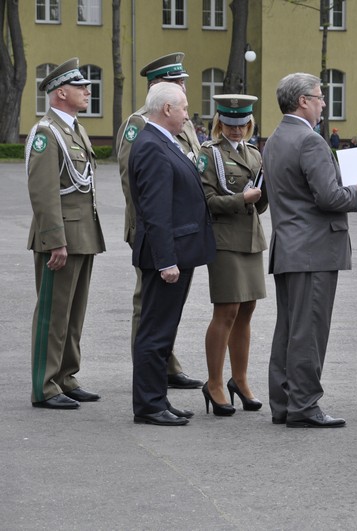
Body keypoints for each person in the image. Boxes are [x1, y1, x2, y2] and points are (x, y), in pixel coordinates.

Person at [262, 73, 357, 428]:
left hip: (289, 248)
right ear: (302, 101)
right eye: (319, 96)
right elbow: (329, 197)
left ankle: (284, 402)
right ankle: (305, 405)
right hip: (313, 249)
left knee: (289, 329)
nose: (324, 103)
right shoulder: (310, 140)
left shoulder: (275, 138)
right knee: (309, 331)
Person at [129, 82, 216, 426]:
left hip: (178, 253)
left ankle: (158, 399)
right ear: (167, 109)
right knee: (155, 332)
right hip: (166, 257)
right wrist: (166, 260)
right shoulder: (152, 145)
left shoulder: (162, 141)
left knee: (164, 331)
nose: (187, 115)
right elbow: (156, 211)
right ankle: (149, 405)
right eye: (184, 108)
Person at [116, 52, 203, 390]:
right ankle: (149, 372)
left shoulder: (185, 122)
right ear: (158, 87)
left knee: (170, 303)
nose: (183, 88)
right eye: (176, 83)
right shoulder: (139, 124)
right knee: (149, 304)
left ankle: (166, 362)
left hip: (180, 228)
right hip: (153, 229)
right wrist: (146, 230)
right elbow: (133, 182)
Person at [26, 58, 105, 409]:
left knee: (73, 313)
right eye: (80, 87)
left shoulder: (75, 129)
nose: (87, 91)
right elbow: (43, 192)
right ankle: (44, 386)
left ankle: (65, 376)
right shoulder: (47, 132)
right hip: (60, 239)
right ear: (61, 92)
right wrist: (55, 240)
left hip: (83, 235)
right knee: (53, 314)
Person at [197, 95, 269, 416]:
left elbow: (260, 205)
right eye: (229, 124)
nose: (236, 130)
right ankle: (214, 383)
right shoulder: (209, 153)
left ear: (249, 124)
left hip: (251, 238)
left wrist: (265, 191)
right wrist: (243, 199)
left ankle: (239, 380)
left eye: (242, 124)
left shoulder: (254, 153)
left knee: (247, 310)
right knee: (226, 310)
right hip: (224, 239)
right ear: (220, 123)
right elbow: (207, 201)